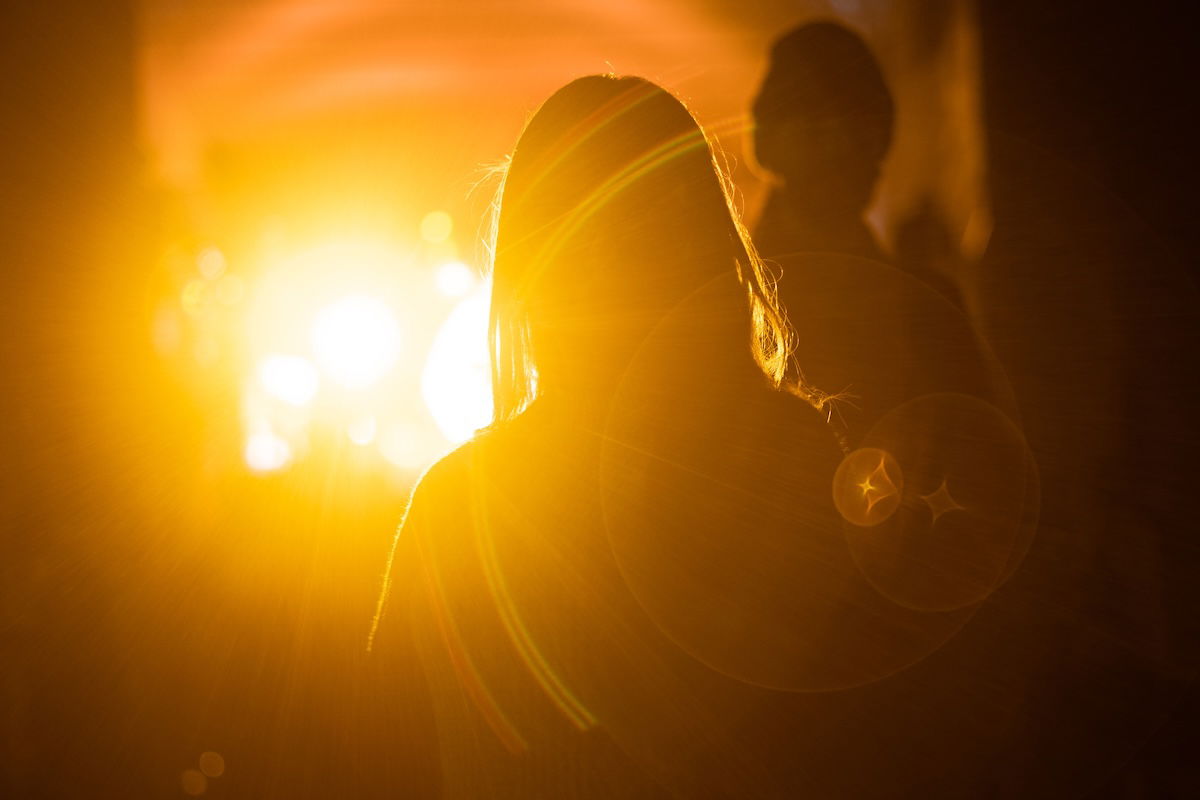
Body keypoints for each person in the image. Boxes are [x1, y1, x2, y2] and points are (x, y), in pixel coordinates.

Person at [365, 75, 1040, 798]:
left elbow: (372, 756)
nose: (619, 264)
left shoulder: (459, 505)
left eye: (641, 229)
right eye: (600, 233)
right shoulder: (788, 464)